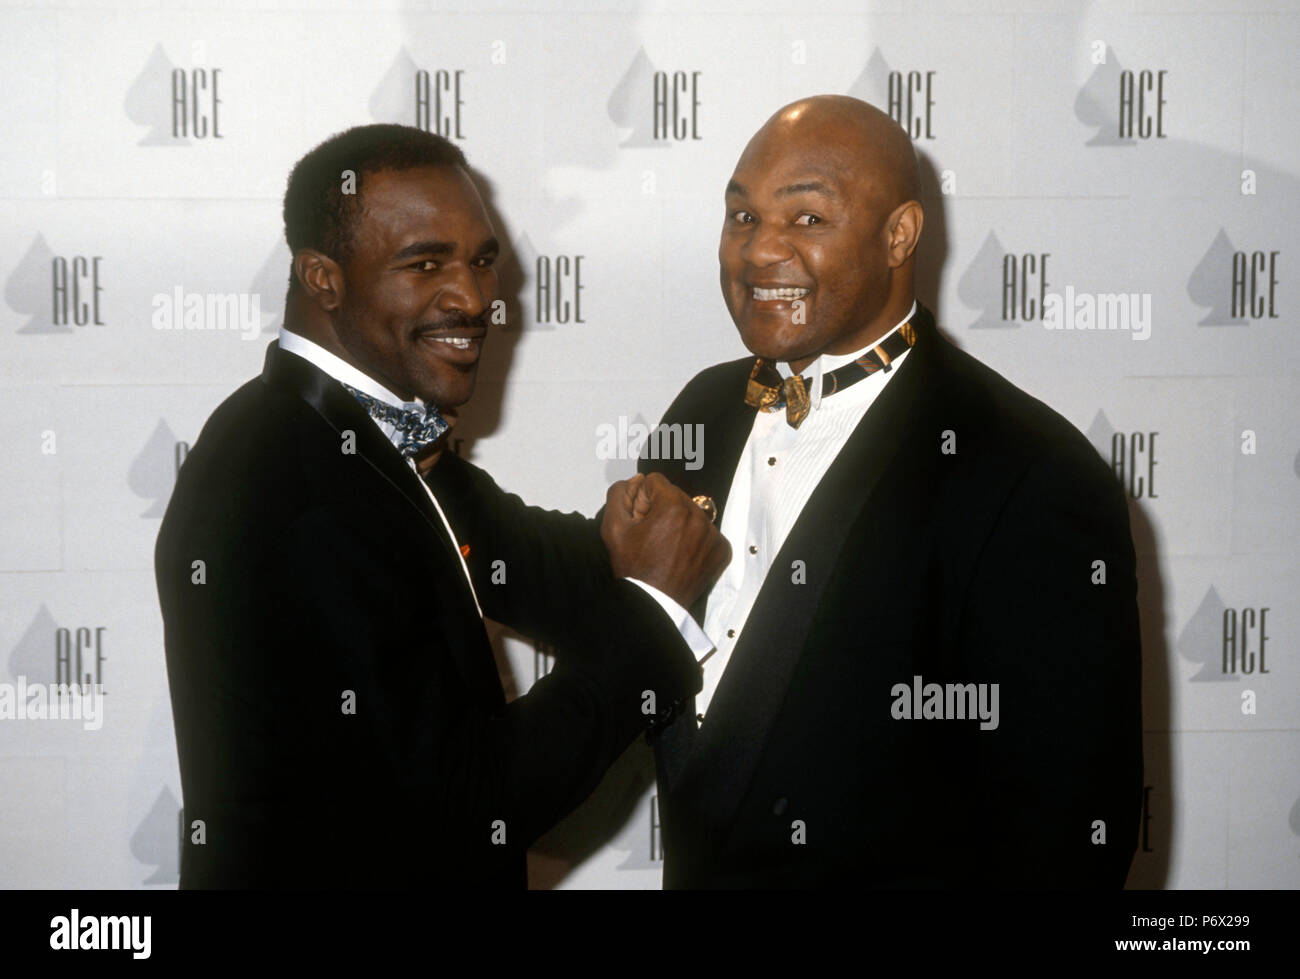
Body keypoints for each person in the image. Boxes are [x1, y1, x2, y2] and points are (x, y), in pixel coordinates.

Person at [427, 96, 1144, 888]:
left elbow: (1067, 837)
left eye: (807, 220)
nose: (759, 250)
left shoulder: (1030, 475)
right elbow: (613, 587)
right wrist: (409, 449)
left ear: (900, 234)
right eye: (740, 217)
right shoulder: (706, 406)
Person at [154, 123, 727, 889]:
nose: (472, 299)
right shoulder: (300, 482)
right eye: (425, 264)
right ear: (322, 277)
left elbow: (516, 556)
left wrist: (633, 540)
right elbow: (472, 801)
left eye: (481, 262)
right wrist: (654, 607)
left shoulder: (357, 437)